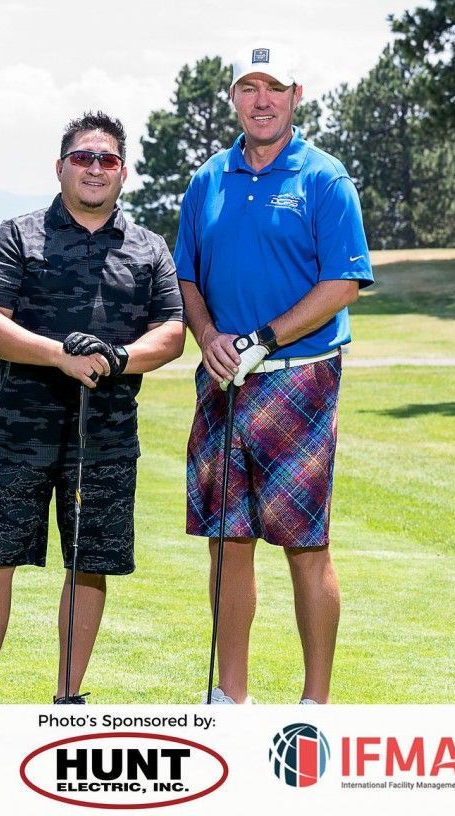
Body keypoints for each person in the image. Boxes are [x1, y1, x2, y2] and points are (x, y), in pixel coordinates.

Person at [0, 111, 186, 744]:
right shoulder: (18, 236)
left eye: (107, 160)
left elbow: (171, 332)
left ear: (123, 173)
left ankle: (67, 696)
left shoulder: (148, 247)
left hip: (106, 436)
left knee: (89, 564)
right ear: (60, 167)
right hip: (20, 430)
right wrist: (59, 354)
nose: (94, 168)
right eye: (83, 157)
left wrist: (117, 358)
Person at [174, 43, 373, 706]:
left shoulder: (322, 177)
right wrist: (206, 337)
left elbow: (343, 281)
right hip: (223, 379)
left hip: (299, 377)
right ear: (232, 97)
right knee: (226, 543)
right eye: (248, 88)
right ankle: (230, 697)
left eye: (274, 89)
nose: (261, 101)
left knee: (302, 545)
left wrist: (263, 337)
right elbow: (188, 277)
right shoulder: (208, 179)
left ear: (295, 95)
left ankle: (314, 705)